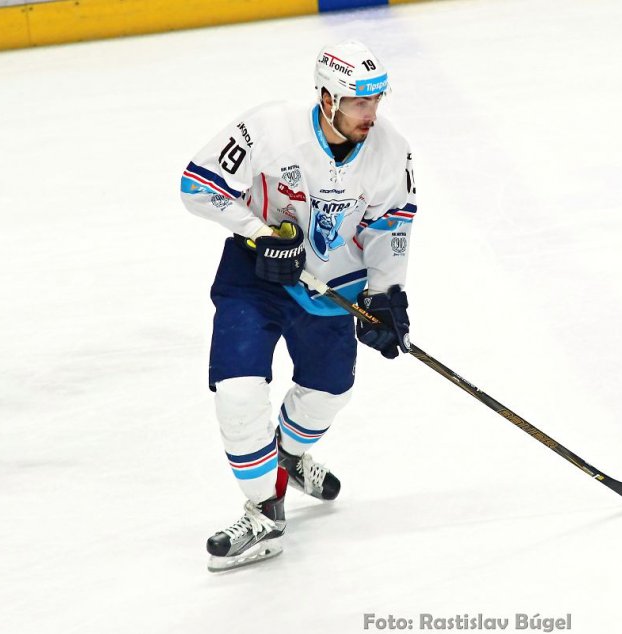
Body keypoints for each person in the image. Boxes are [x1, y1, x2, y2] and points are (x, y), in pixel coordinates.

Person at [179, 39, 417, 572]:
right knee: (238, 392)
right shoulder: (270, 128)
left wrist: (386, 294)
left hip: (334, 287)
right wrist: (260, 232)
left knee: (330, 392)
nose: (371, 113)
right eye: (358, 102)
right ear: (327, 98)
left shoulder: (390, 150)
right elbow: (197, 184)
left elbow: (391, 227)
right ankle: (265, 512)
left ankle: (284, 457)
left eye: (376, 100)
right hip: (255, 276)